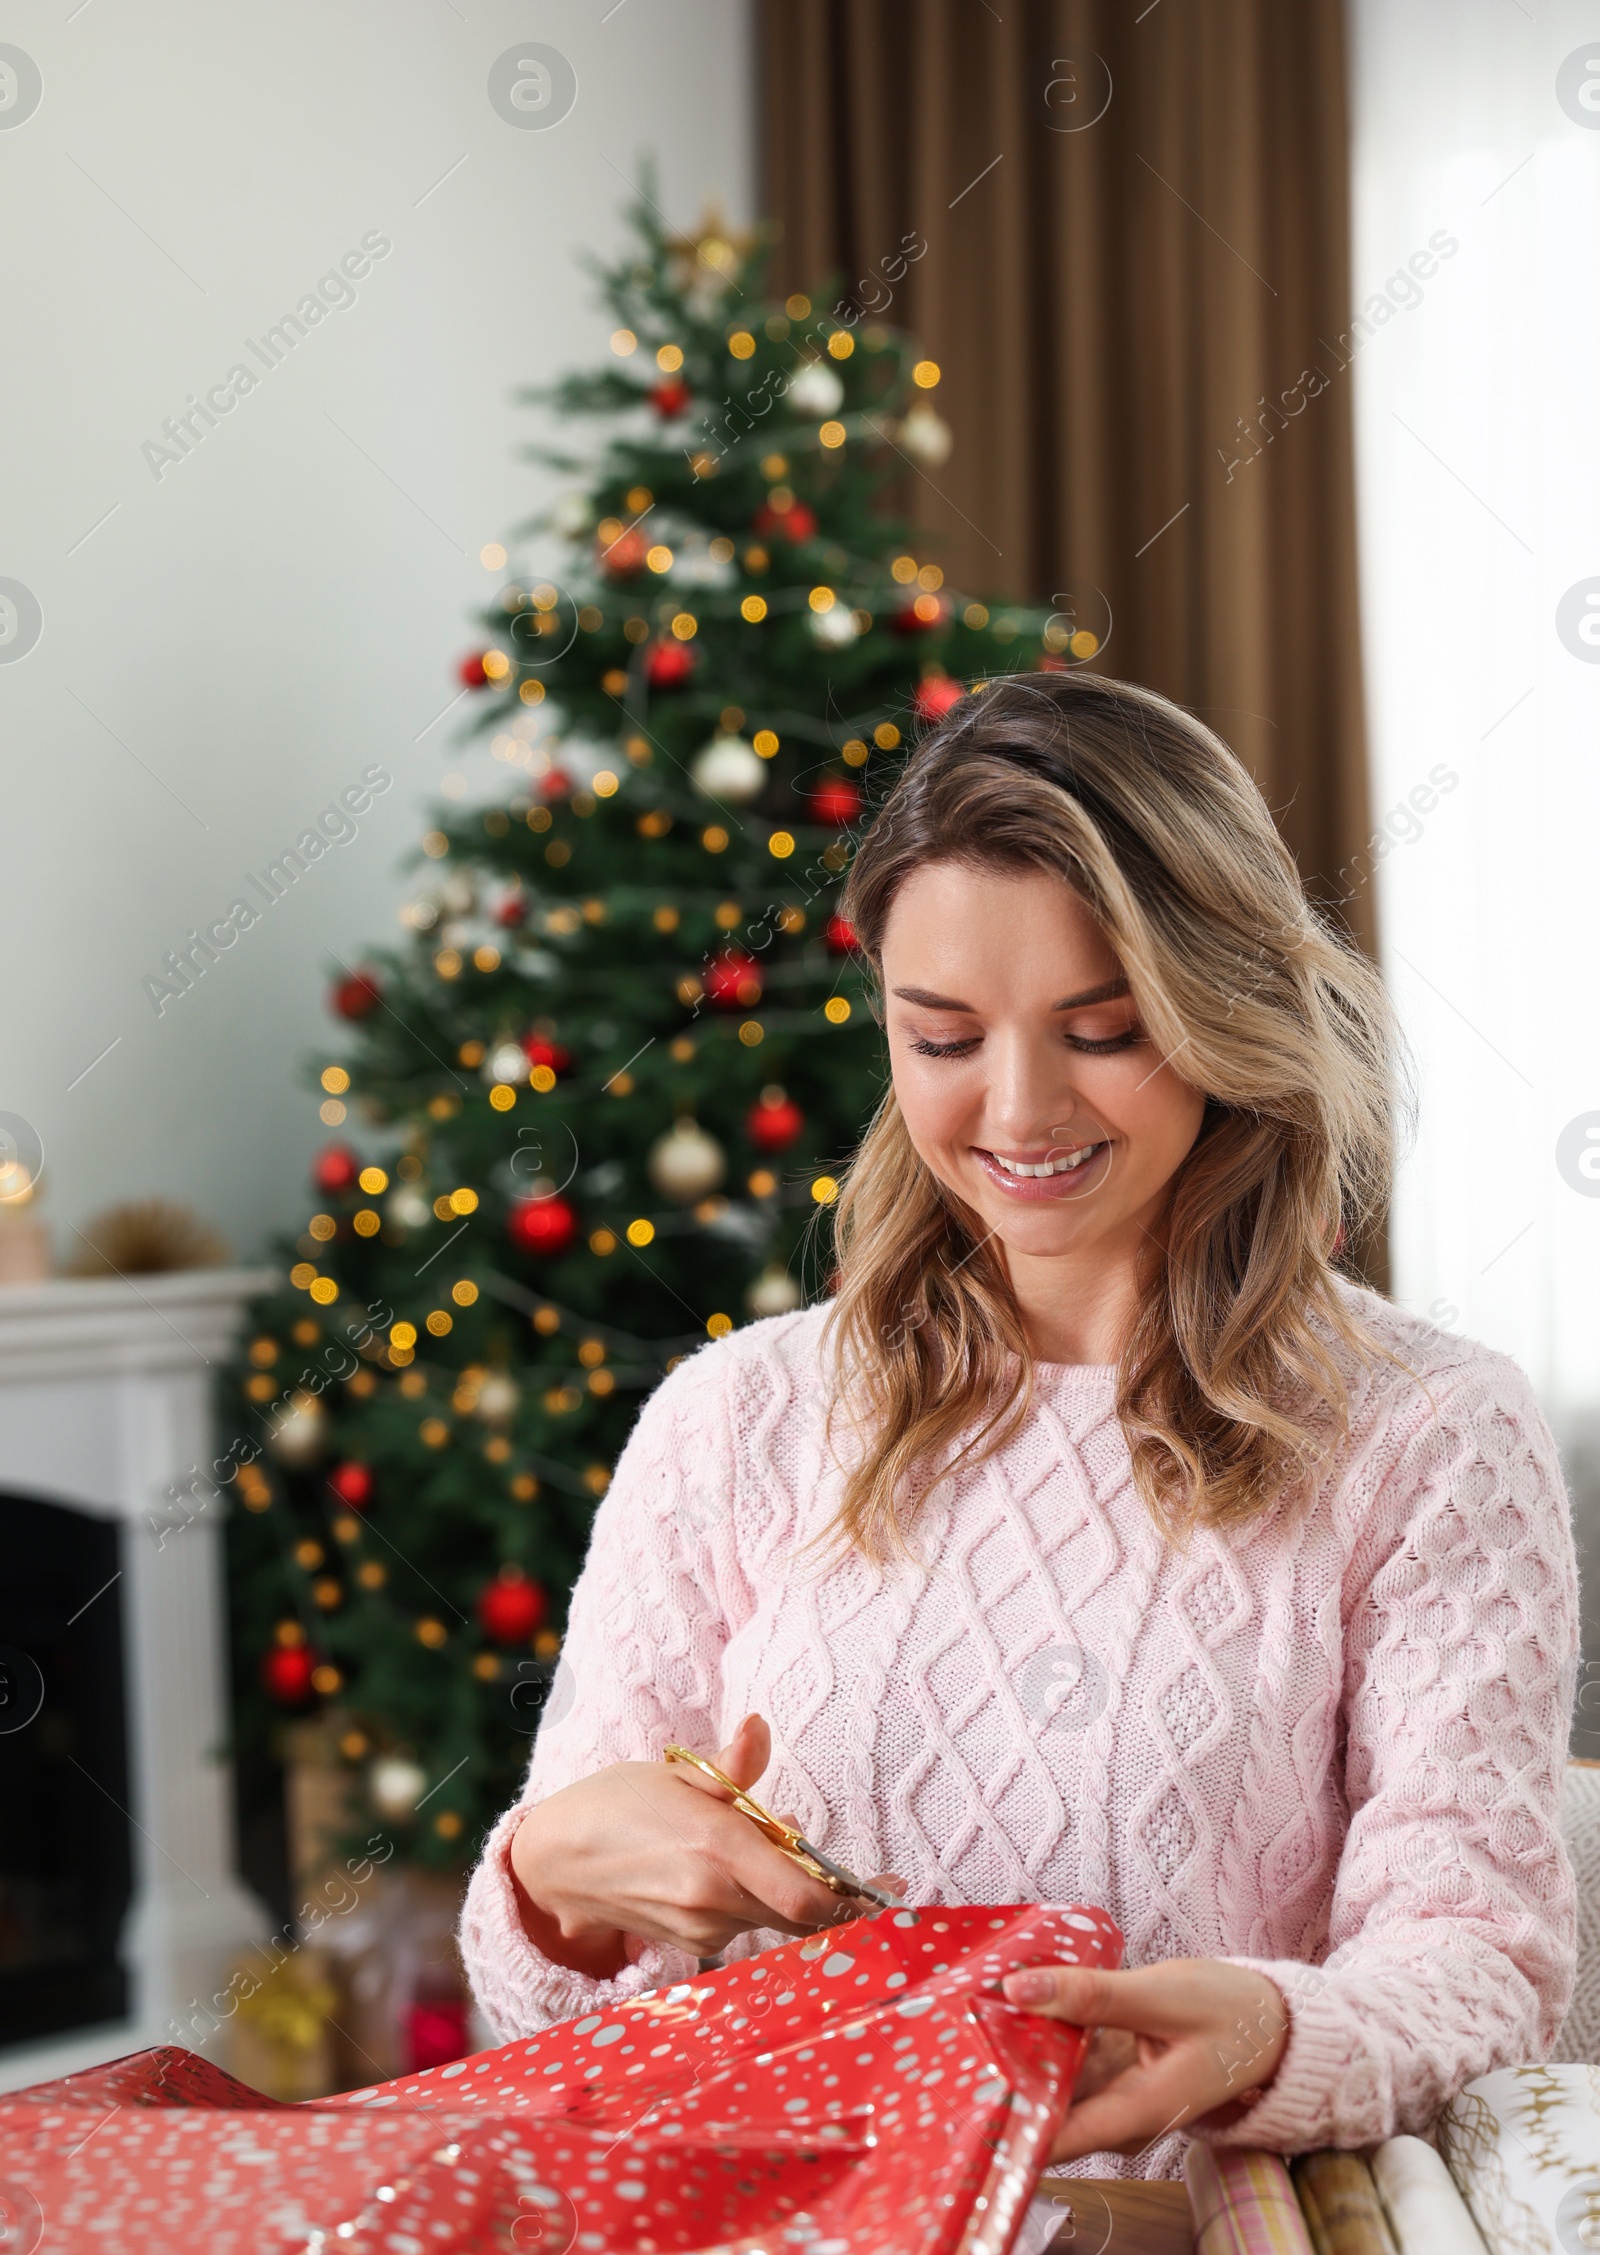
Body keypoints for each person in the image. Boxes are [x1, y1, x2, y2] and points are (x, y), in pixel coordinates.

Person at [460, 670, 1578, 2178]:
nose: (1019, 1110)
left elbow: (1483, 1957)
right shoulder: (741, 1417)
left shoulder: (1427, 1434)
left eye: (1102, 1029)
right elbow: (549, 2022)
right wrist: (548, 1887)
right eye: (942, 1038)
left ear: (1220, 1009)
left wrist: (1271, 2033)